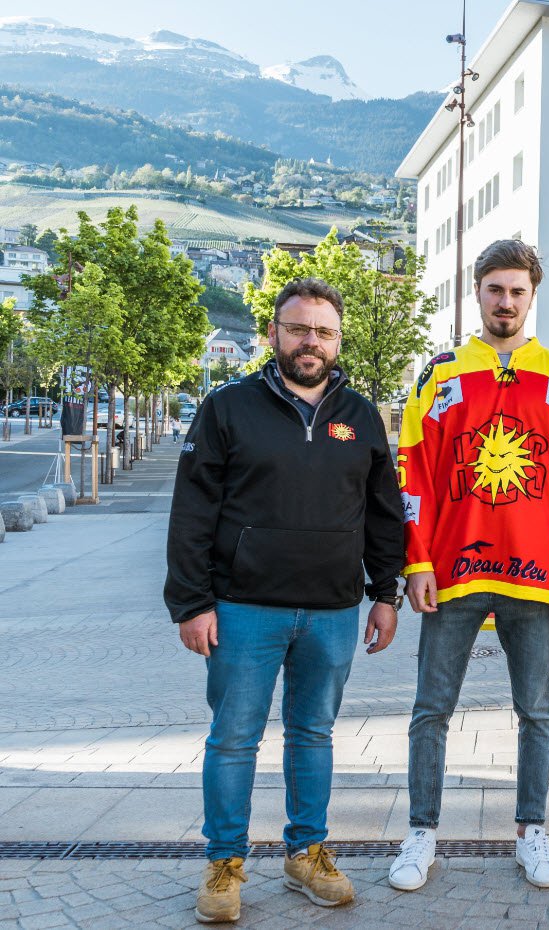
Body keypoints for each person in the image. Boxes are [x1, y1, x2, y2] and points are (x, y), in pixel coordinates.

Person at [164, 277, 405, 924]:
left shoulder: (362, 416)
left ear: (337, 339)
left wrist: (385, 594)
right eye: (298, 328)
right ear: (272, 334)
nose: (310, 342)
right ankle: (224, 865)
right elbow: (191, 512)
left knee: (313, 735)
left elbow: (384, 516)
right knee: (234, 738)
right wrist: (191, 603)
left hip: (331, 611)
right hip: (243, 610)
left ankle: (306, 854)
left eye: (323, 331)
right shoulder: (228, 407)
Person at [391, 239, 549, 892]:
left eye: (516, 291)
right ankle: (421, 833)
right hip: (452, 574)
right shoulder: (440, 375)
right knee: (430, 707)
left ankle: (531, 831)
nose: (504, 301)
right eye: (494, 289)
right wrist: (415, 559)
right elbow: (412, 473)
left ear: (531, 296)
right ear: (476, 292)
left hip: (537, 577)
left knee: (535, 710)